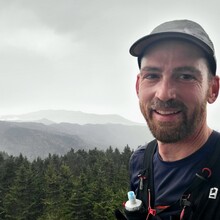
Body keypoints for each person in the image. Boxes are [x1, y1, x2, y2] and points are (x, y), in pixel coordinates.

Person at [115, 20, 220, 220]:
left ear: (212, 89)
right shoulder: (140, 162)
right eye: (152, 75)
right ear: (138, 86)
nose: (163, 94)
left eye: (186, 76)